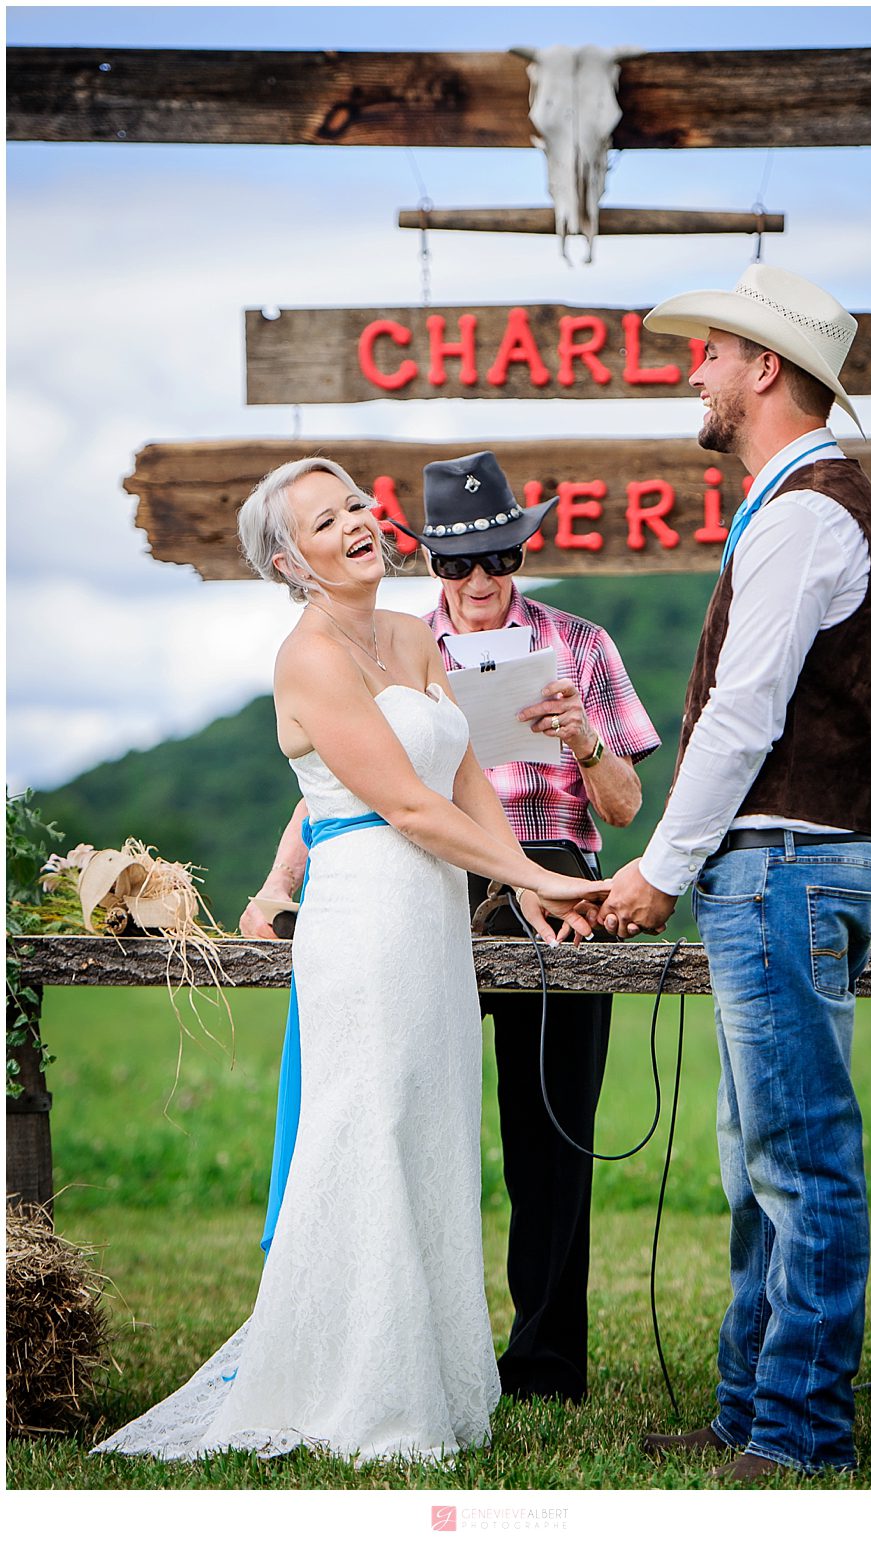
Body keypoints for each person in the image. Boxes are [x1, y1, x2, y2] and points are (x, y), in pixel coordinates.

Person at [93, 457, 606, 1464]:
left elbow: (463, 779)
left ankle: (438, 1372)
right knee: (368, 1129)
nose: (361, 524)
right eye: (330, 521)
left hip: (435, 921)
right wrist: (543, 881)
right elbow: (407, 808)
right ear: (294, 560)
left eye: (361, 507)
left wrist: (518, 887)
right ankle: (366, 1391)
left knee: (431, 1130)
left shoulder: (416, 637)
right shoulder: (309, 658)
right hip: (367, 917)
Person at [242, 450, 660, 1405]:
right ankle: (378, 1345)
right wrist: (276, 885)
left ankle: (542, 1362)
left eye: (500, 558)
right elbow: (346, 791)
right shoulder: (371, 638)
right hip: (417, 880)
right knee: (393, 1108)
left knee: (549, 1128)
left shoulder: (579, 644)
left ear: (522, 552)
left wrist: (582, 741)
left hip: (548, 864)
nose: (480, 580)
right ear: (430, 560)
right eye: (459, 563)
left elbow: (628, 805)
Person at [598, 264, 871, 1482]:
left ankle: (797, 1438)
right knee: (755, 1162)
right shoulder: (805, 504)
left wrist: (660, 871)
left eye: (711, 352)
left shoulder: (803, 514)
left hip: (781, 867)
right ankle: (748, 1412)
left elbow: (738, 719)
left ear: (763, 367)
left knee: (797, 1162)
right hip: (784, 867)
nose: (697, 371)